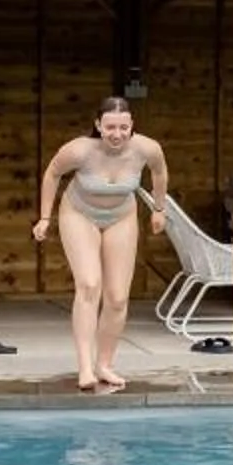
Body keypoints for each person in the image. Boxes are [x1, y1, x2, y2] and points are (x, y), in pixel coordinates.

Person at [32, 98, 169, 392]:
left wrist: (159, 209)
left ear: (132, 126)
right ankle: (84, 367)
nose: (117, 134)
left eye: (123, 127)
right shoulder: (79, 150)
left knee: (118, 297)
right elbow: (52, 173)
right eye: (110, 127)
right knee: (89, 284)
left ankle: (104, 364)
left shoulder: (147, 149)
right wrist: (44, 217)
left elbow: (159, 172)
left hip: (121, 216)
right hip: (79, 213)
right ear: (98, 126)